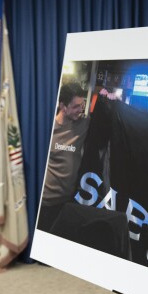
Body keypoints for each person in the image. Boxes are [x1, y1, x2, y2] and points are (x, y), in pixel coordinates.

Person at [38, 82, 89, 231]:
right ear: (62, 106)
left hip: (68, 201)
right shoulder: (47, 128)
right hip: (45, 203)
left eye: (82, 105)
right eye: (75, 106)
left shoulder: (83, 124)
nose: (80, 110)